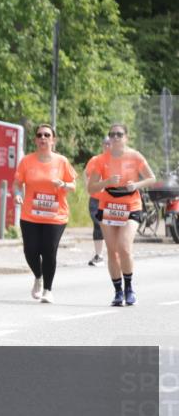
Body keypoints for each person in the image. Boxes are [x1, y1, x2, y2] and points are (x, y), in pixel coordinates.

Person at [86, 123, 156, 306]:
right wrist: (107, 181)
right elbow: (91, 187)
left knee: (124, 247)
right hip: (108, 206)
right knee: (112, 251)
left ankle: (129, 288)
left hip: (131, 206)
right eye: (112, 134)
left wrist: (136, 185)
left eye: (119, 134)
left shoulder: (135, 156)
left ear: (126, 137)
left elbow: (152, 178)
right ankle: (118, 292)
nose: (115, 137)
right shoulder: (101, 160)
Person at [12, 123, 76, 304]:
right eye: (40, 135)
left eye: (47, 135)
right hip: (30, 214)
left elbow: (73, 185)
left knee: (49, 250)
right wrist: (17, 195)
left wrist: (63, 185)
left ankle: (48, 289)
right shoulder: (26, 161)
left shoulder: (61, 161)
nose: (43, 138)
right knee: (31, 250)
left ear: (53, 140)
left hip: (55, 215)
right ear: (35, 140)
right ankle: (38, 277)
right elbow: (17, 183)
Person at [84, 136, 112, 267]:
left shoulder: (117, 161)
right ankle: (99, 255)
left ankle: (114, 253)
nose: (107, 146)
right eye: (105, 143)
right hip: (95, 198)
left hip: (111, 200)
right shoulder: (95, 160)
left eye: (109, 144)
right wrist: (87, 187)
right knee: (98, 224)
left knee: (111, 226)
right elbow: (86, 174)